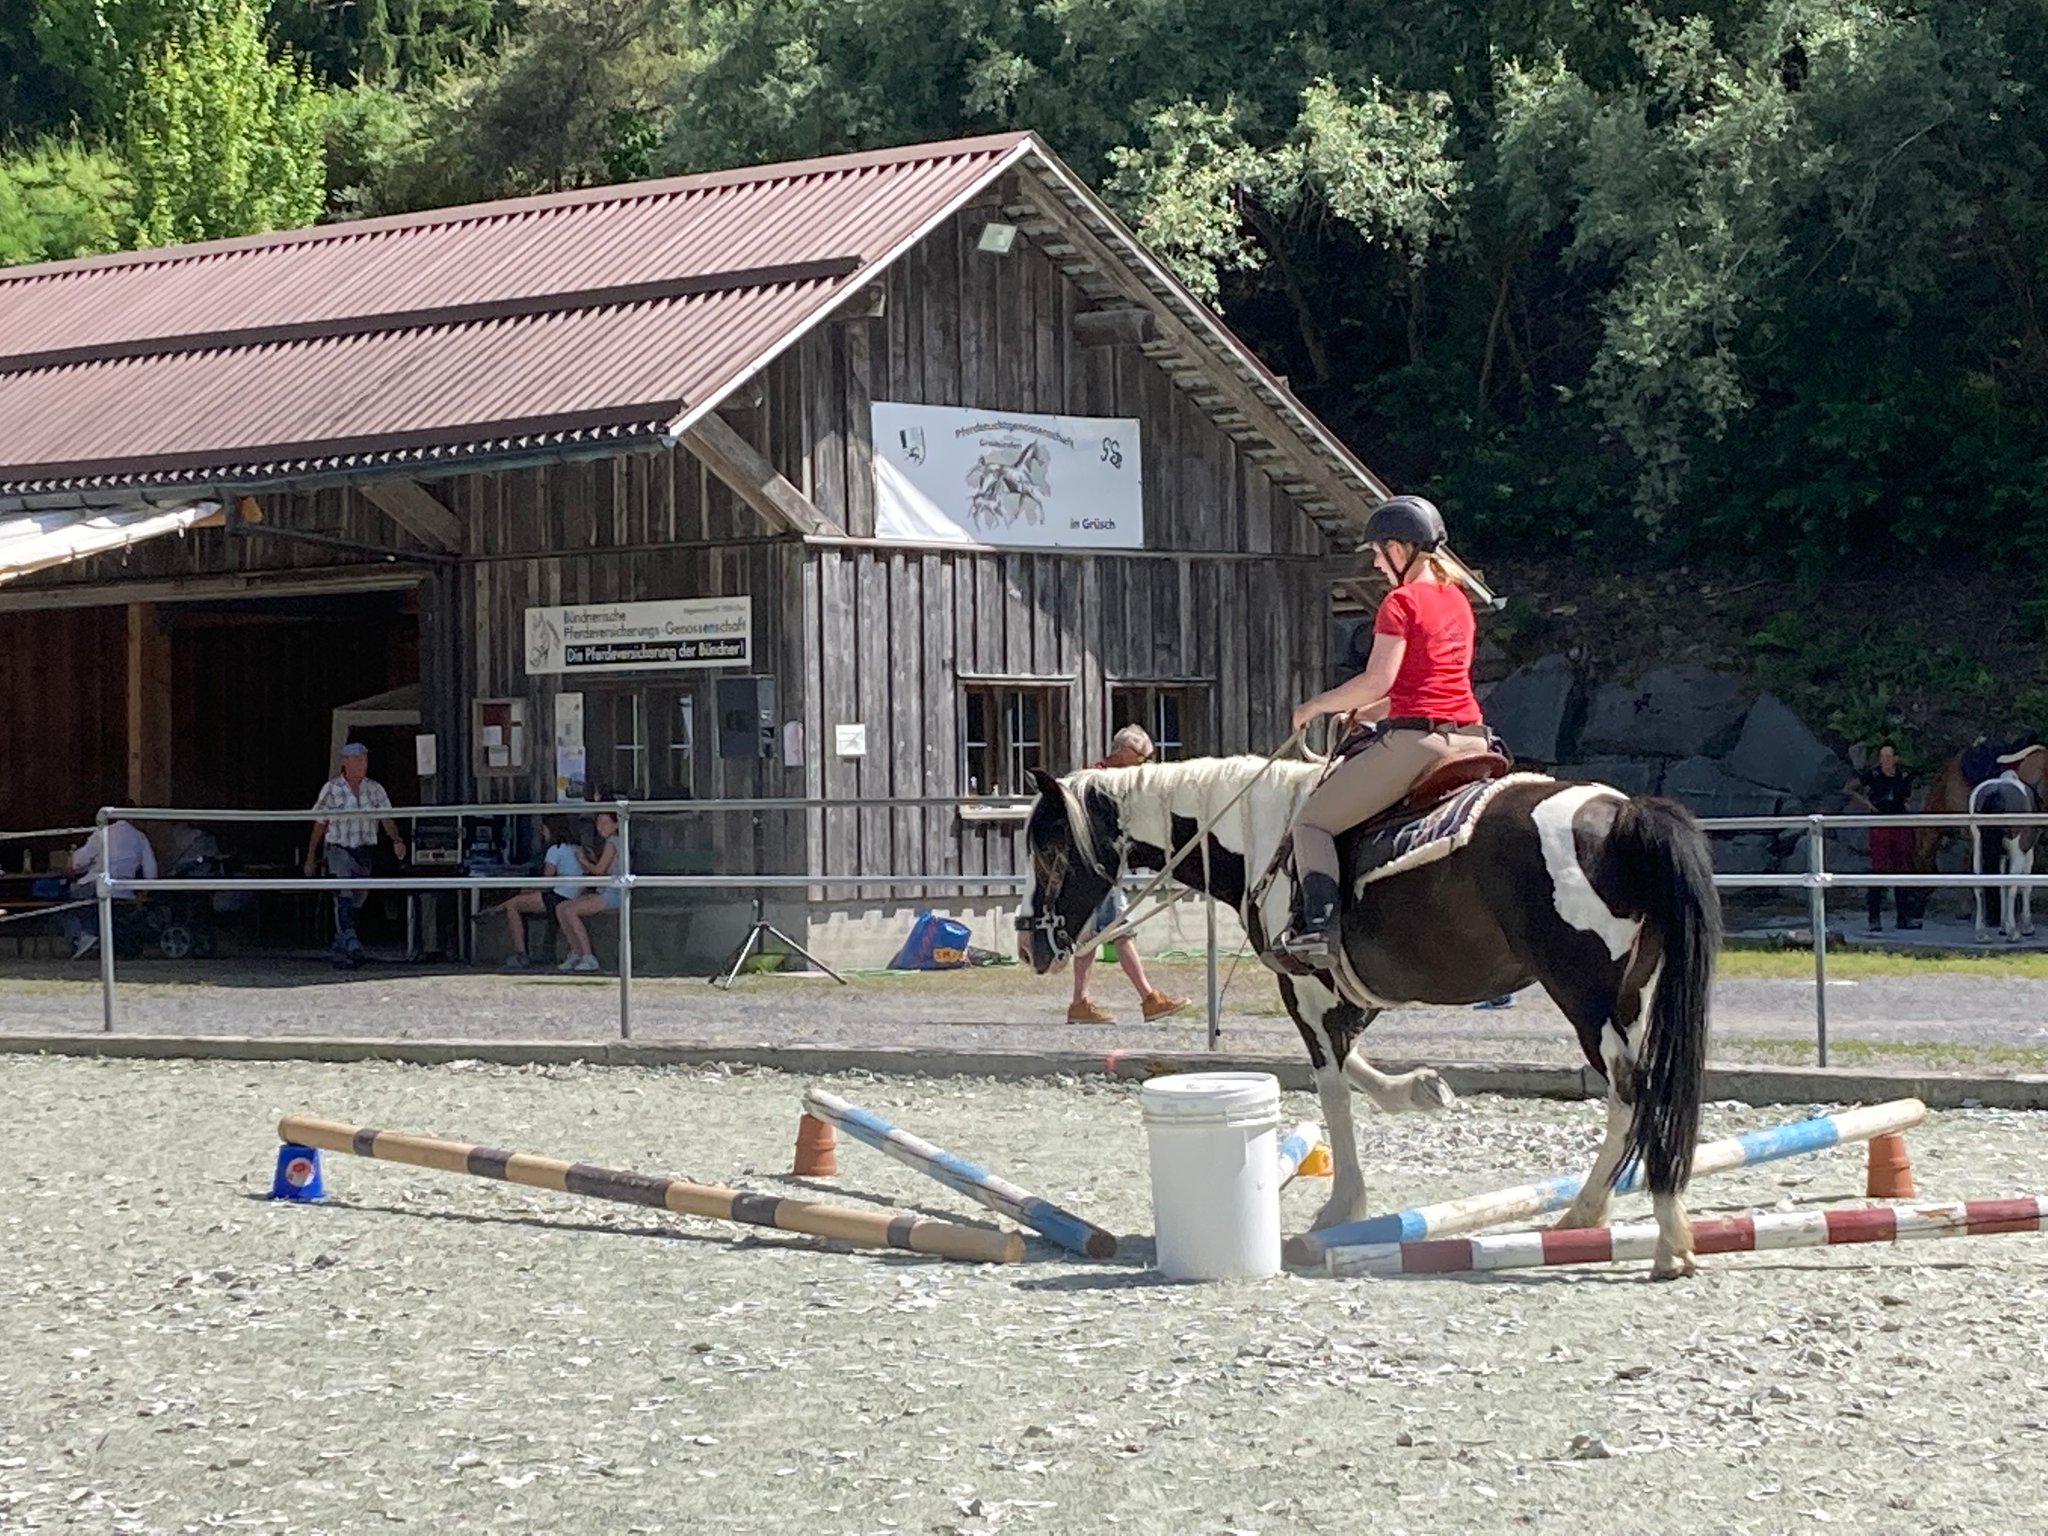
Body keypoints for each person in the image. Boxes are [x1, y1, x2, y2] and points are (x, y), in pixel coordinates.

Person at [1270, 495, 1491, 965]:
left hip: (1420, 743)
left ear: (1399, 548)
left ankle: (1319, 930)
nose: (1374, 562)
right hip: (1473, 737)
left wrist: (1315, 706)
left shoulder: (1401, 602)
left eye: (1377, 551)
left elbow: (1378, 679)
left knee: (1311, 824)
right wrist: (1368, 712)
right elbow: (1427, 683)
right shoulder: (1458, 600)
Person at [1065, 724, 1192, 1025]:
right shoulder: (1098, 780)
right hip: (1096, 868)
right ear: (1123, 752)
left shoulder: (1116, 778)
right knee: (1120, 932)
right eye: (1141, 757)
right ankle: (1148, 999)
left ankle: (1080, 1003)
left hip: (1100, 868)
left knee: (1090, 937)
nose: (1144, 765)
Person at [304, 743, 407, 970]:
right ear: (345, 762)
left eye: (364, 760)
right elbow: (320, 824)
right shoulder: (331, 789)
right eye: (357, 760)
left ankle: (342, 948)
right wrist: (311, 855)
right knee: (344, 894)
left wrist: (396, 839)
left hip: (364, 851)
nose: (362, 764)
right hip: (339, 849)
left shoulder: (375, 789)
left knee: (357, 900)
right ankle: (351, 942)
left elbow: (386, 818)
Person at [501, 816, 598, 971]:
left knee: (513, 904)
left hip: (558, 896)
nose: (542, 833)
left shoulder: (554, 850)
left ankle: (520, 953)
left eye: (544, 829)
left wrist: (527, 890)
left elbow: (547, 881)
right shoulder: (578, 848)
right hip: (574, 894)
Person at [64, 803, 158, 959]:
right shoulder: (140, 837)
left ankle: (84, 934)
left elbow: (77, 863)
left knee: (69, 896)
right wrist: (143, 892)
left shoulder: (102, 833)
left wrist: (72, 856)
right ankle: (92, 935)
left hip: (96, 884)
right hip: (124, 891)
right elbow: (151, 872)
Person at [1845, 742, 1919, 932]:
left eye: (1888, 757)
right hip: (1880, 824)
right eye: (1882, 757)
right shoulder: (1873, 774)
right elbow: (1849, 788)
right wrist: (1867, 804)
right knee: (1879, 869)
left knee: (1902, 869)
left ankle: (1903, 917)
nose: (1885, 760)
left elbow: (1908, 796)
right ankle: (1874, 918)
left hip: (1900, 823)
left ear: (1895, 759)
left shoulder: (1903, 775)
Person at [555, 809, 627, 971]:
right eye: (598, 823)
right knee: (561, 908)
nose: (600, 827)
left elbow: (600, 870)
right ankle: (576, 952)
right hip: (605, 890)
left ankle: (588, 956)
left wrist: (583, 860)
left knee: (570, 910)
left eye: (605, 823)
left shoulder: (613, 841)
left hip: (614, 893)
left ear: (616, 824)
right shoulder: (612, 842)